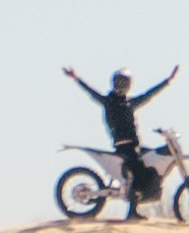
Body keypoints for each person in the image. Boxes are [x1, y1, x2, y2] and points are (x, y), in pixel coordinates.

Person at [63, 63, 179, 216]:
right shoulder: (108, 102)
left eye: (124, 82)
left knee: (152, 159)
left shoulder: (130, 103)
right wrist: (76, 78)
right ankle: (132, 211)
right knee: (139, 173)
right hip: (124, 148)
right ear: (114, 83)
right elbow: (91, 92)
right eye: (119, 82)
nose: (121, 85)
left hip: (135, 147)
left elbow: (149, 95)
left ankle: (147, 193)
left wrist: (168, 81)